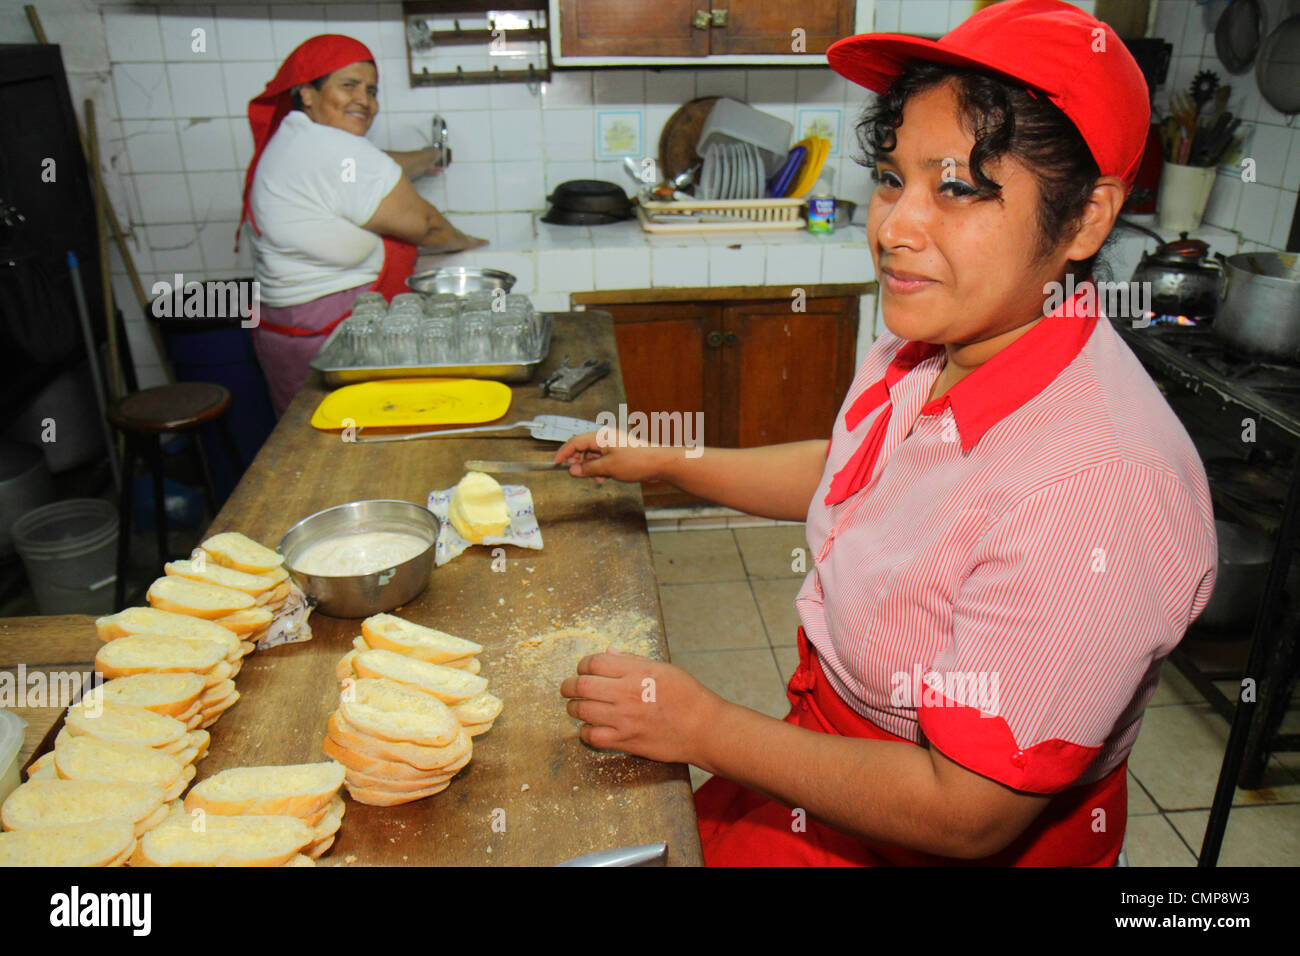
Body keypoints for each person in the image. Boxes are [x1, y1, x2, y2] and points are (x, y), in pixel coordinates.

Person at [554, 0, 1218, 866]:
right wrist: (667, 459)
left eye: (956, 188)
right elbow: (865, 478)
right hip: (826, 775)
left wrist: (705, 728)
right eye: (893, 177)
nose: (894, 229)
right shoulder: (937, 339)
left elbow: (967, 815)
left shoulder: (1097, 485)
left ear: (1087, 218)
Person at [237, 34, 486, 415]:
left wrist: (430, 156)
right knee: (354, 455)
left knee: (310, 453)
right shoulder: (336, 151)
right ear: (307, 92)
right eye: (348, 85)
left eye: (371, 90)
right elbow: (428, 225)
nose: (365, 101)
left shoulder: (297, 137)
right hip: (334, 340)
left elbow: (366, 166)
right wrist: (465, 241)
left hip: (286, 333)